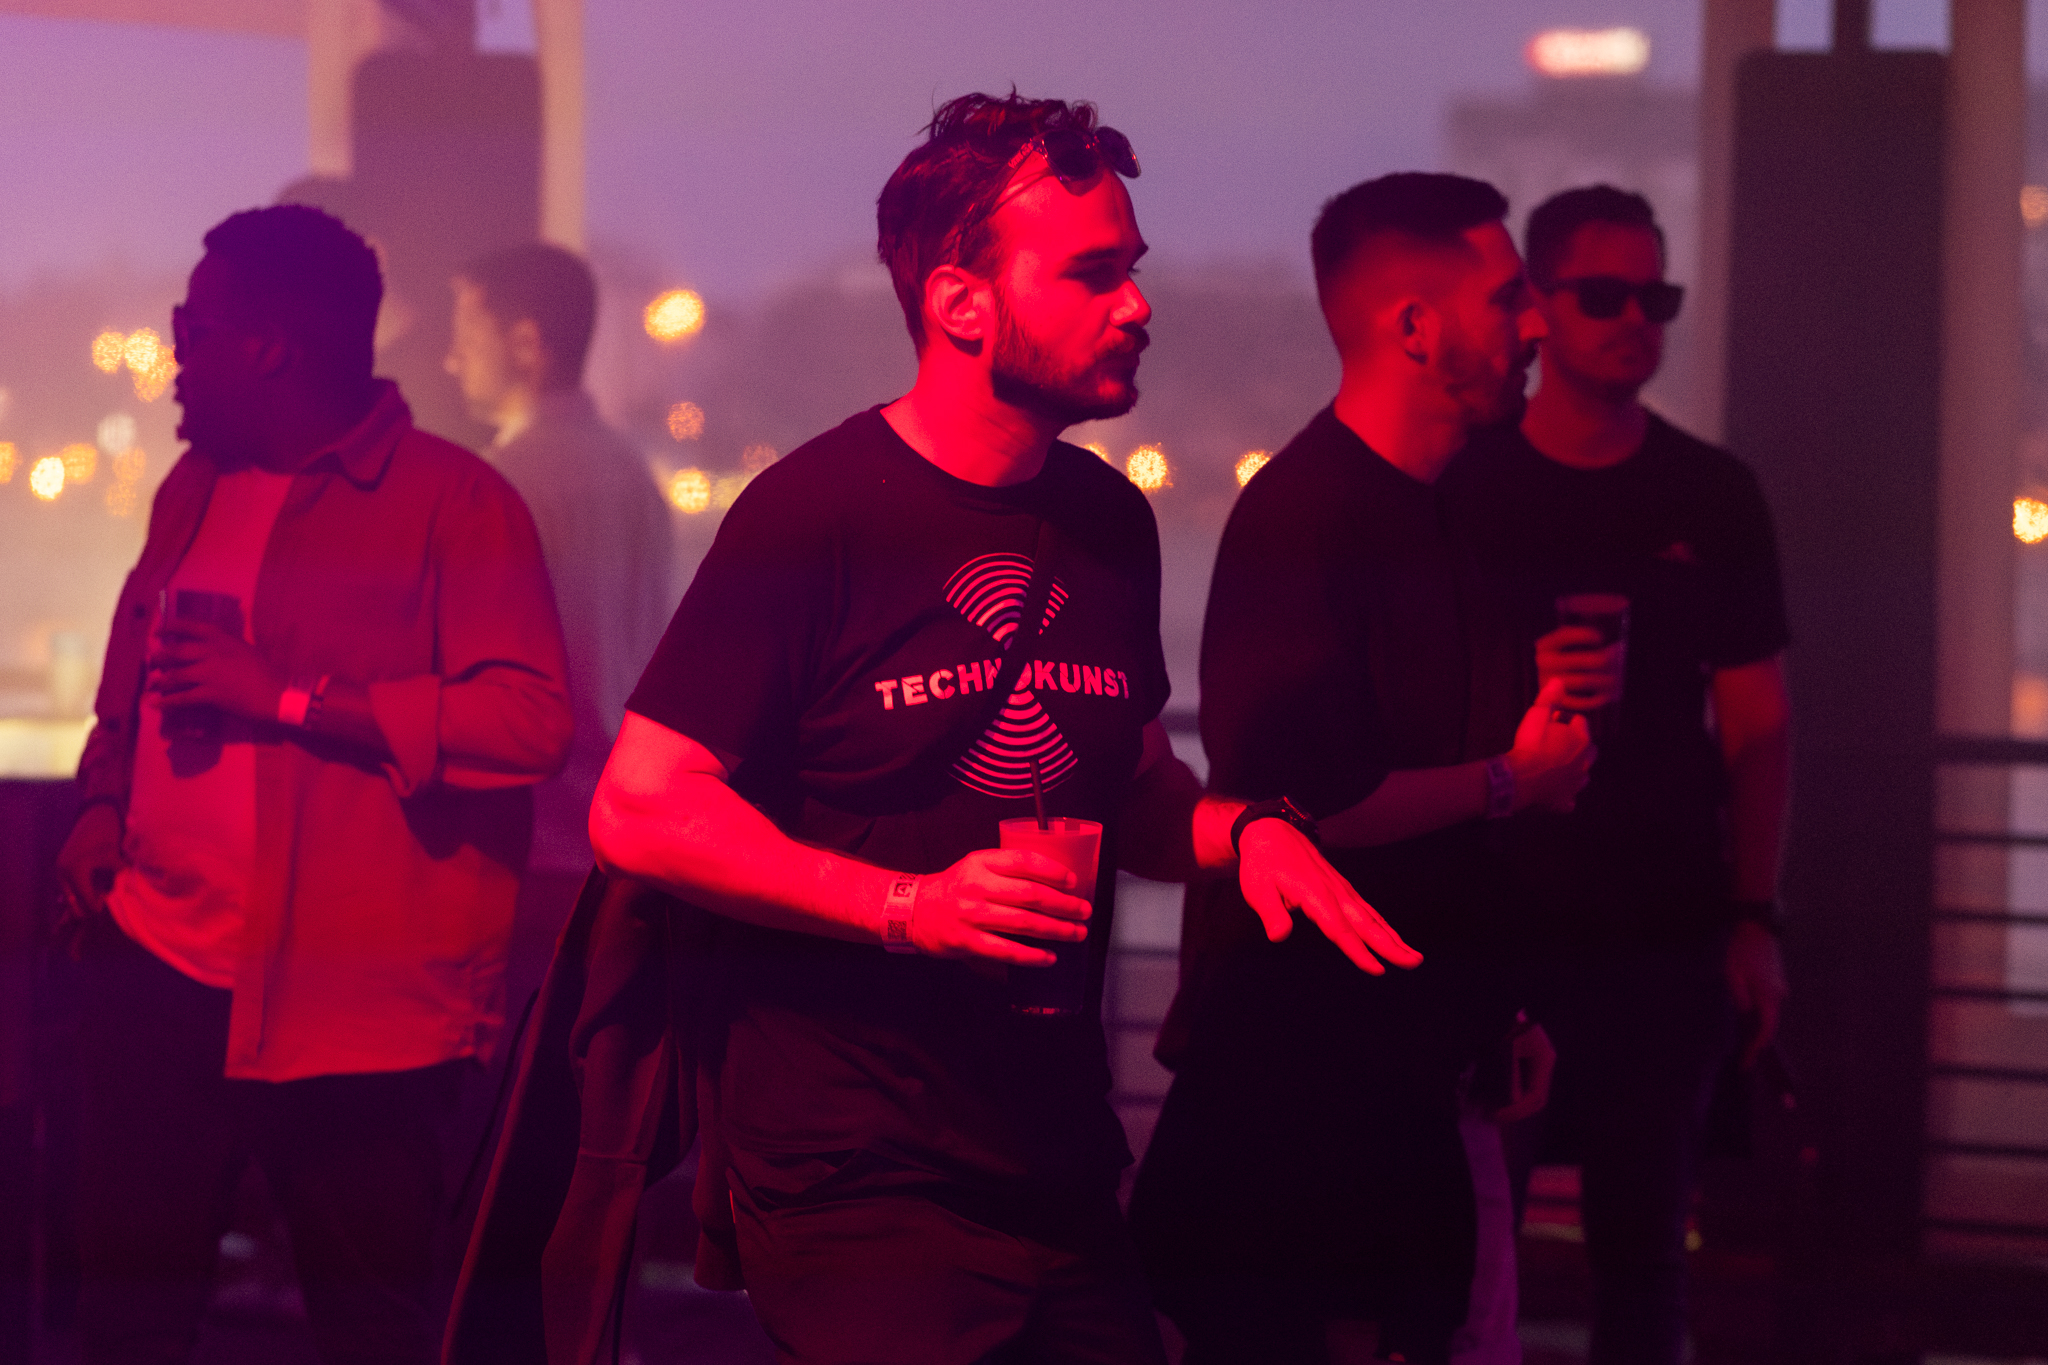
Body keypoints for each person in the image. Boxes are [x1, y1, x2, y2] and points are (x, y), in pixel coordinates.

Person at [561, 92, 1420, 1364]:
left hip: (1052, 1152)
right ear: (960, 303)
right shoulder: (816, 515)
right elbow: (638, 804)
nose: (1136, 305)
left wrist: (1244, 836)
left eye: (1131, 269)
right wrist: (908, 908)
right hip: (855, 1170)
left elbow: (1132, 787)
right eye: (1091, 274)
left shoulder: (1107, 521)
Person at [54, 205, 572, 1365]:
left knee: (371, 1332)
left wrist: (288, 698)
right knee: (125, 1325)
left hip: (359, 1010)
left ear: (269, 347)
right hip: (158, 972)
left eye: (192, 328)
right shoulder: (191, 486)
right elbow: (126, 690)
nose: (173, 353)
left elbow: (531, 721)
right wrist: (98, 808)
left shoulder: (457, 505)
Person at [1127, 172, 1592, 1365]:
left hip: (1423, 1064)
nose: (1536, 325)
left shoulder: (1455, 511)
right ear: (1414, 326)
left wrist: (1504, 999)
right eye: (1508, 297)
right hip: (1301, 1091)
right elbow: (1306, 809)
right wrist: (1516, 778)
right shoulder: (1305, 518)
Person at [1443, 184, 1791, 1365]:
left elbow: (1757, 720)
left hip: (1662, 934)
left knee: (1643, 1266)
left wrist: (1752, 918)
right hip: (1500, 926)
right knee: (1473, 1255)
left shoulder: (1709, 493)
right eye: (1603, 295)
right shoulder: (1467, 484)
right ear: (1536, 307)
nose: (1636, 320)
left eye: (1656, 297)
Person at [444, 241, 674, 1039]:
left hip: (532, 841)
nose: (450, 359)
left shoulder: (502, 482)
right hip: (619, 841)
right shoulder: (633, 473)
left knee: (510, 1077)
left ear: (526, 343)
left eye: (467, 336)